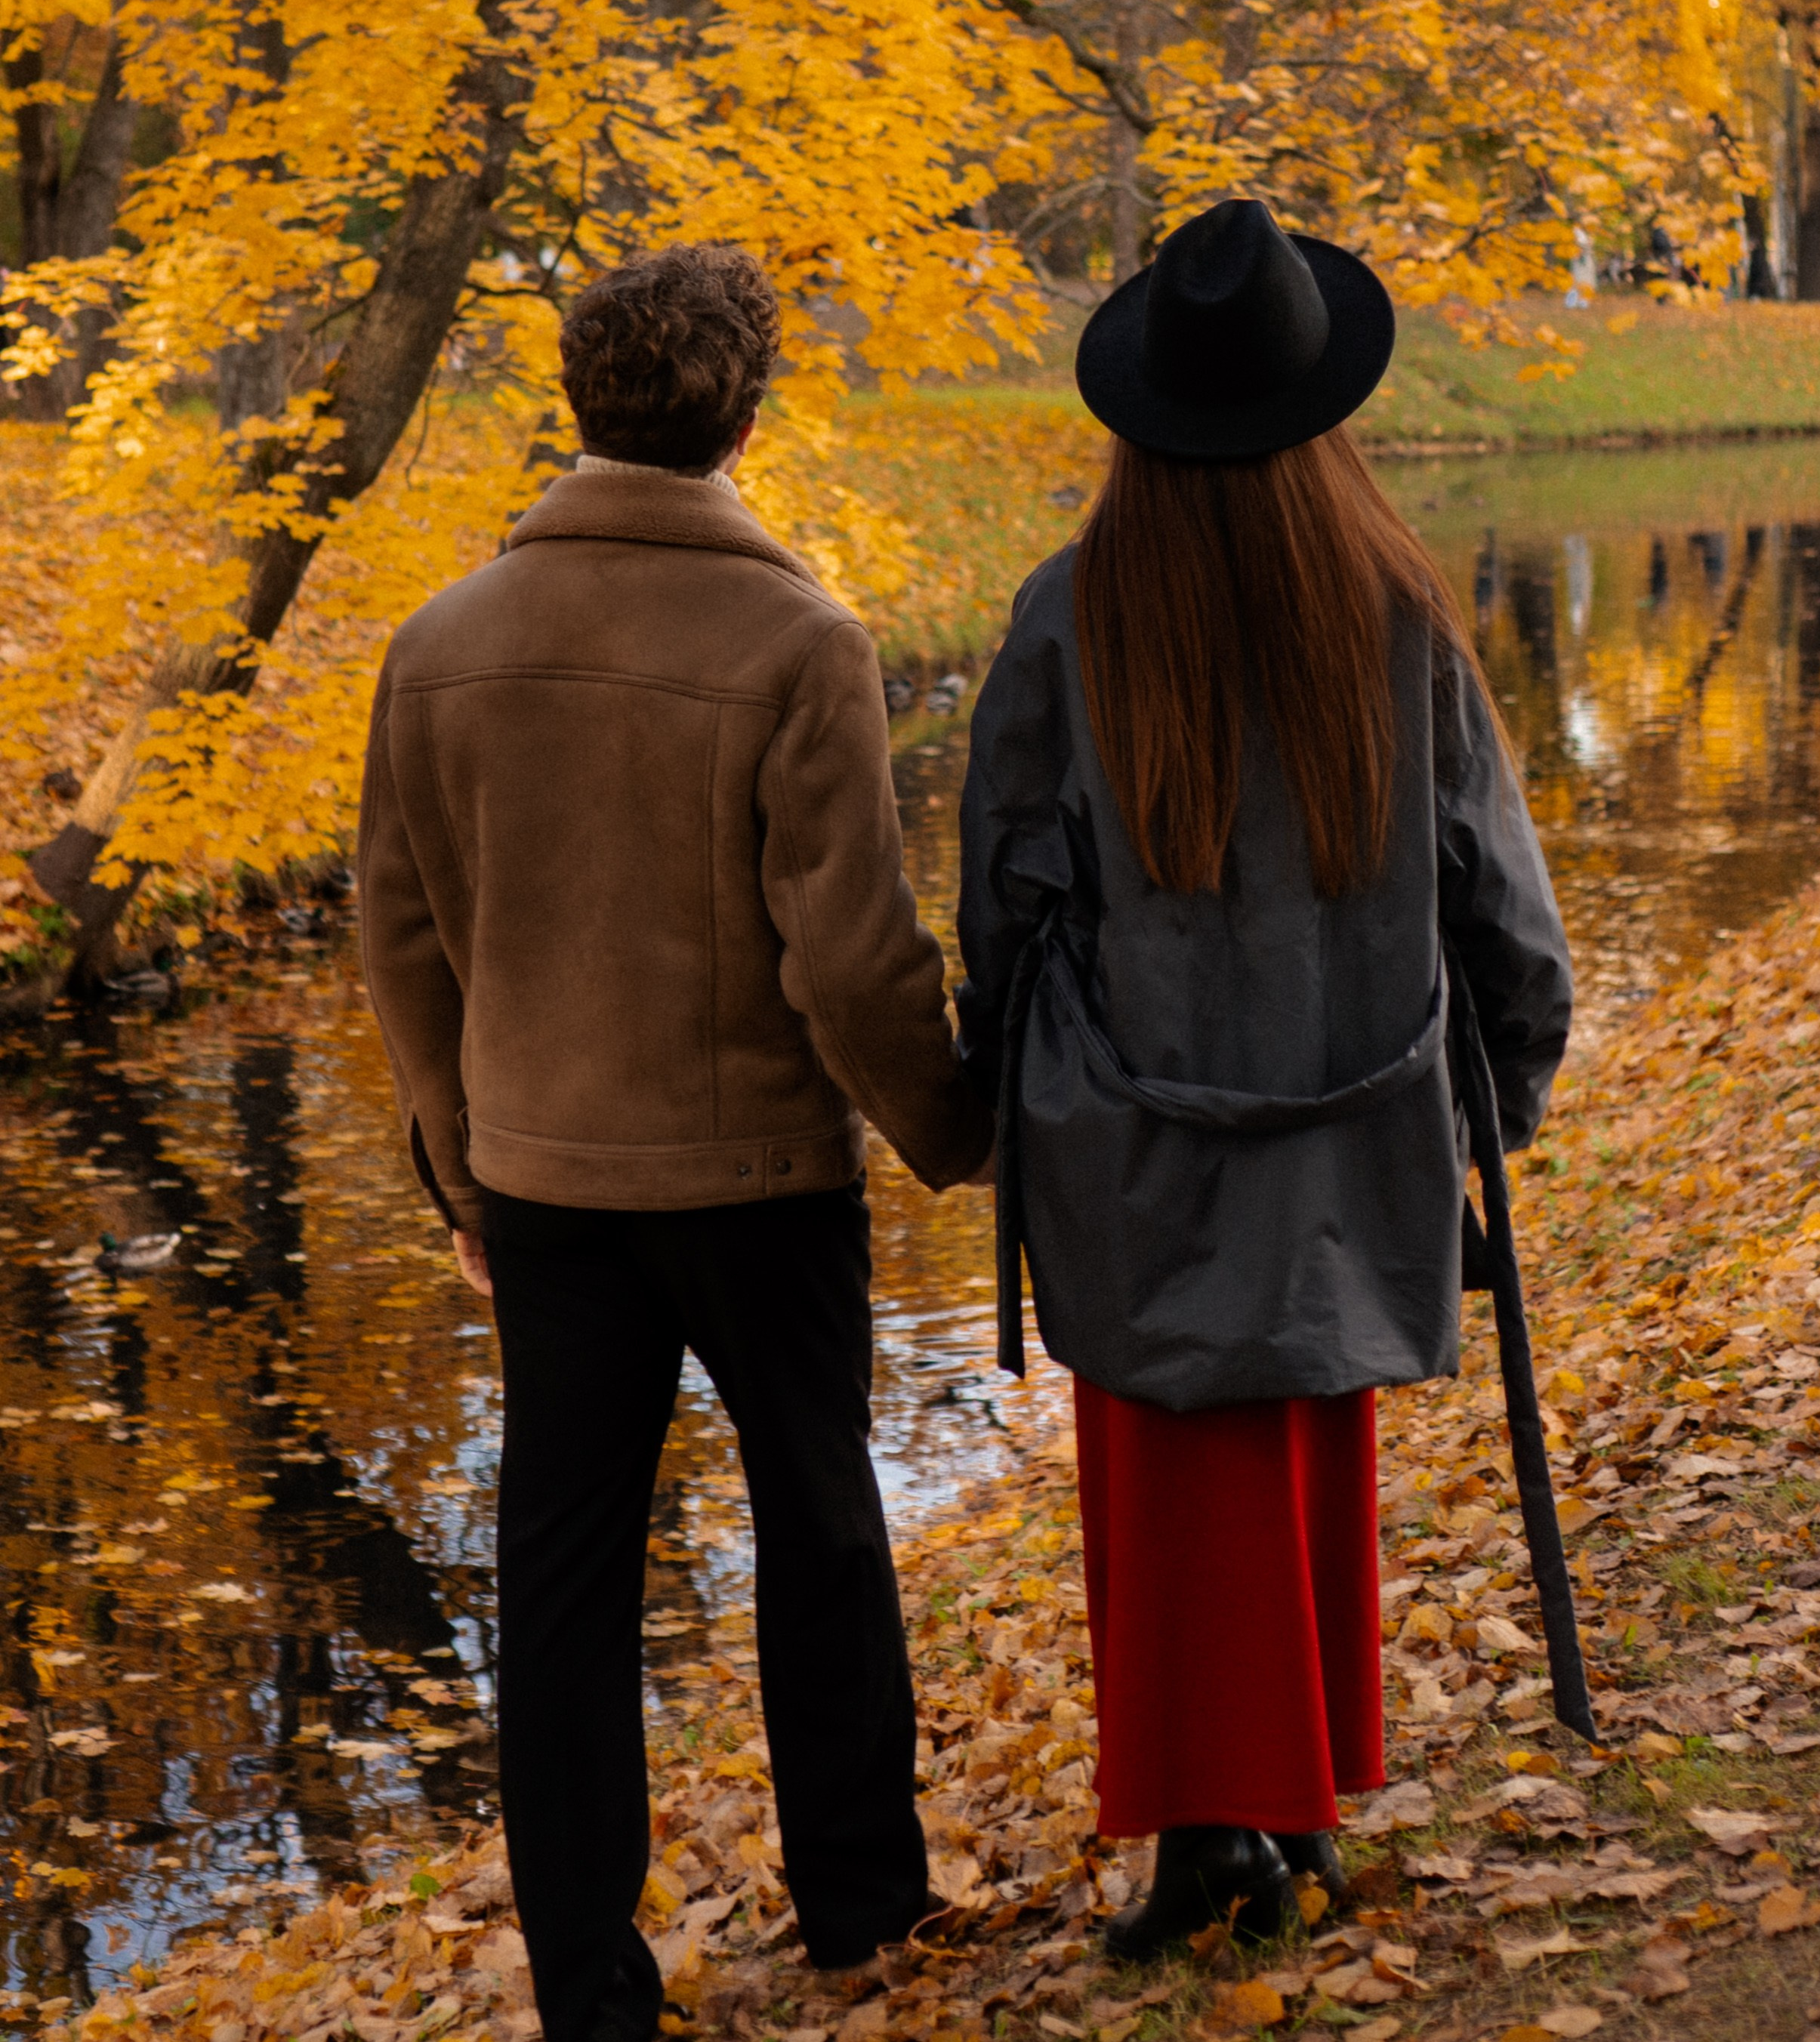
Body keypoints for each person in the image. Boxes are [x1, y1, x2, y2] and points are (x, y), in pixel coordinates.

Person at [357, 245, 992, 2042]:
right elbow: (853, 958)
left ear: (577, 398)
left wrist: (461, 1169)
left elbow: (396, 936)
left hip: (548, 1183)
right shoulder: (800, 642)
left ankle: (587, 1980)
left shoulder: (439, 645)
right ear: (748, 405)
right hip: (762, 1180)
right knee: (819, 1521)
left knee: (560, 1573)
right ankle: (862, 1905)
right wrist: (951, 1126)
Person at [957, 201, 1572, 1957]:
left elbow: (1003, 891)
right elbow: (1500, 900)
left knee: (1168, 1495)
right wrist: (1490, 1108)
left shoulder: (1071, 613)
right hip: (1356, 1115)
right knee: (1307, 1463)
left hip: (1130, 1132)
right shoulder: (1389, 606)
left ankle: (1213, 1841)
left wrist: (992, 1092)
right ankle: (1280, 1821)